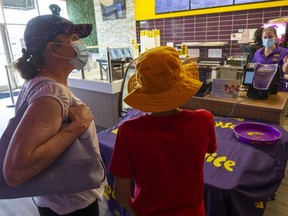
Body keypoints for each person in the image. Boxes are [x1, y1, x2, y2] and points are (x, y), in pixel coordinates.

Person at [3, 15, 104, 216]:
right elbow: (15, 172)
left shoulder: (36, 84)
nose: (81, 44)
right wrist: (77, 125)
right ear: (53, 49)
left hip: (56, 199)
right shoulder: (51, 93)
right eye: (74, 37)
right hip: (71, 205)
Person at [109, 46, 217, 216]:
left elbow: (121, 194)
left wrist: (134, 211)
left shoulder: (128, 131)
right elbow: (210, 149)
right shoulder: (203, 119)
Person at [252, 26, 288, 92]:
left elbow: (285, 71)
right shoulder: (257, 53)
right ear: (262, 38)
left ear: (276, 37)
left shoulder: (284, 52)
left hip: (278, 89)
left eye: (270, 37)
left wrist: (286, 64)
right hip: (259, 88)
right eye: (265, 37)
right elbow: (253, 69)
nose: (267, 39)